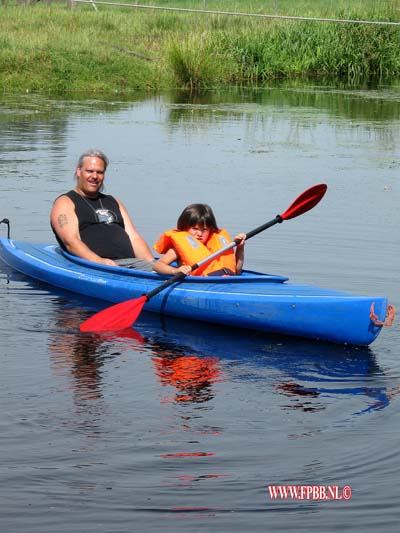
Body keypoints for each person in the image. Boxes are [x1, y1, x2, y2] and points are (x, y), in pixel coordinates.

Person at [50, 149, 155, 270]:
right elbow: (71, 242)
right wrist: (100, 261)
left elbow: (134, 237)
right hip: (97, 266)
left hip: (132, 264)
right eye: (90, 171)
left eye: (99, 172)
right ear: (79, 171)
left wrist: (152, 264)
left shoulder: (114, 201)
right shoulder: (65, 202)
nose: (95, 176)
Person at [153, 203, 245, 276]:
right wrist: (175, 271)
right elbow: (158, 265)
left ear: (211, 229)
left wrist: (240, 248)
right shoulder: (177, 249)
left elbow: (237, 270)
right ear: (184, 228)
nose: (200, 234)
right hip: (198, 285)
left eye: (204, 229)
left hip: (225, 284)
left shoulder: (213, 242)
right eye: (195, 229)